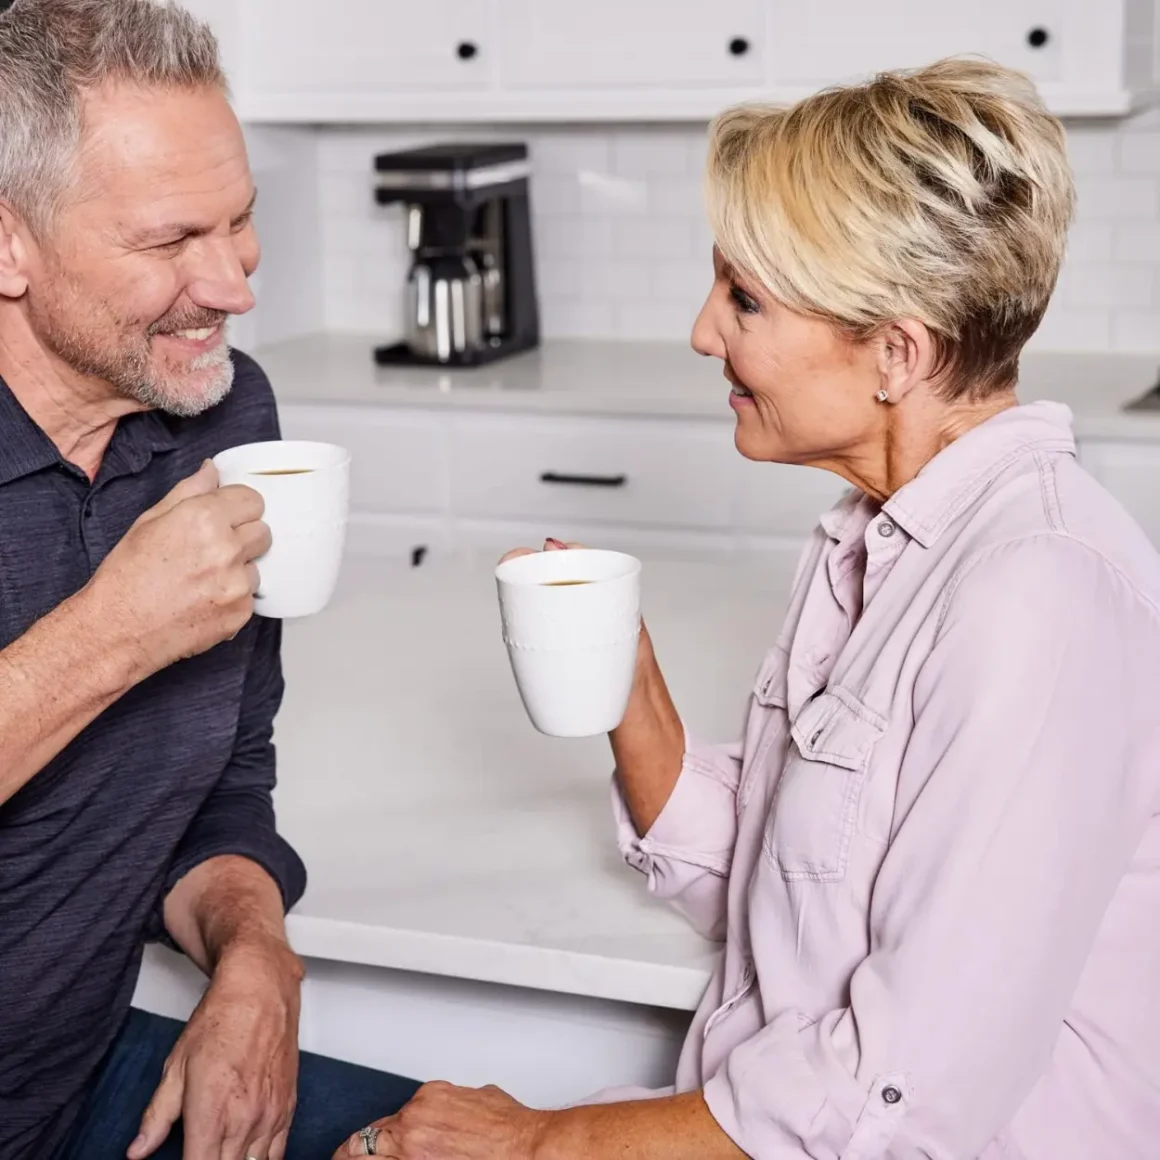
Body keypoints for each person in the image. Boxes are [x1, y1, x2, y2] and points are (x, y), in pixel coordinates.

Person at [337, 58, 1160, 1160]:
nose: (699, 332)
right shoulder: (872, 536)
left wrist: (534, 1140)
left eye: (744, 300)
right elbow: (790, 887)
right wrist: (626, 683)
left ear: (895, 353)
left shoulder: (1034, 594)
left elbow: (897, 1091)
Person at [0, 2, 419, 1158]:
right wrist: (112, 634)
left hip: (81, 1078)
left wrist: (254, 959)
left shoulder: (220, 414)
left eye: (241, 221)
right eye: (169, 239)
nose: (233, 284)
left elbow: (221, 771)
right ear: (7, 243)